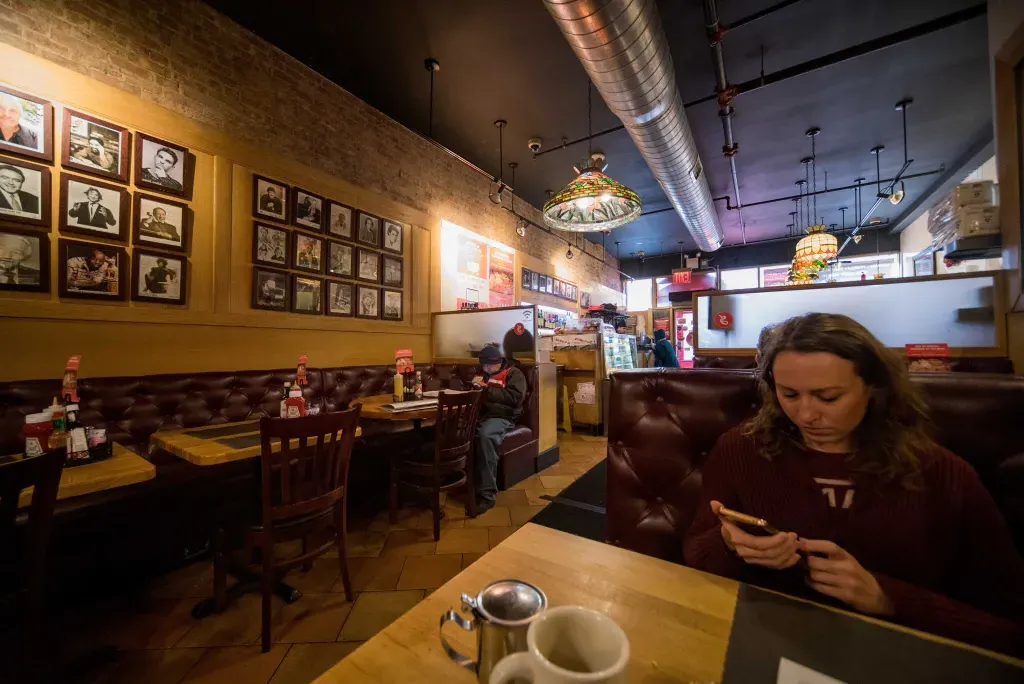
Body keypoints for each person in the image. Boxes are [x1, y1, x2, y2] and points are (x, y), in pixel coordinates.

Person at [683, 312, 1024, 656]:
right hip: (761, 643)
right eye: (789, 394)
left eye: (828, 397)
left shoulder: (940, 474)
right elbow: (695, 552)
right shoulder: (742, 449)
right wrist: (729, 543)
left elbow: (1008, 625)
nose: (806, 415)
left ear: (874, 387)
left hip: (896, 659)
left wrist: (887, 598)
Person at [472, 344, 527, 512]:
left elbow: (515, 398)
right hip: (481, 414)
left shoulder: (514, 373)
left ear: (499, 361)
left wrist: (486, 390)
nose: (486, 368)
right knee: (455, 431)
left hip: (503, 416)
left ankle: (487, 494)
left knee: (486, 436)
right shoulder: (482, 374)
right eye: (483, 365)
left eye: (489, 365)